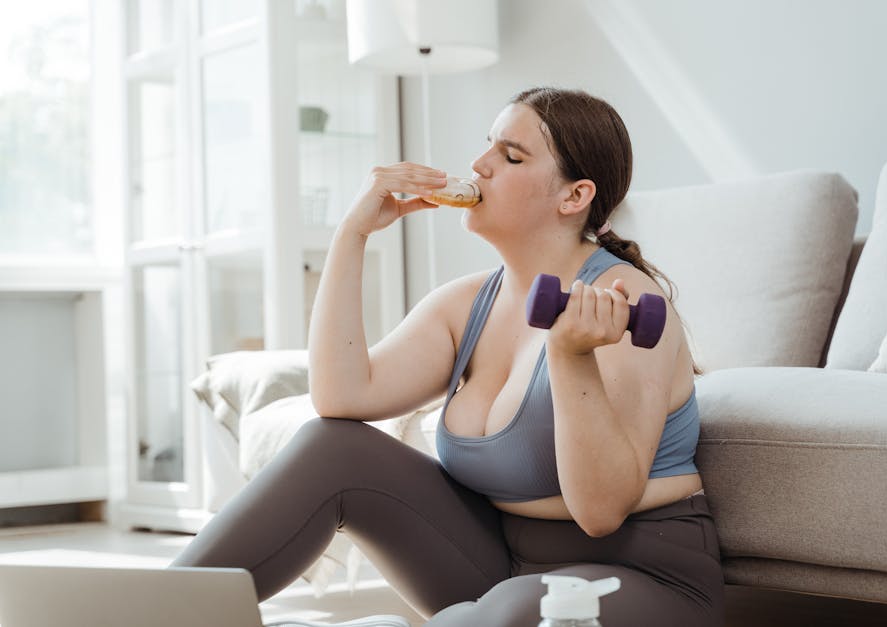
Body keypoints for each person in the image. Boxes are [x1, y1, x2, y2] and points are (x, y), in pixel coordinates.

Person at [171, 87, 724, 627]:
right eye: (487, 146)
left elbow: (602, 513)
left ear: (574, 197)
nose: (479, 165)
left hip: (634, 576)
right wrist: (353, 232)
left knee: (510, 611)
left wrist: (571, 356)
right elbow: (341, 397)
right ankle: (156, 609)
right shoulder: (467, 303)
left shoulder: (623, 304)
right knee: (334, 447)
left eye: (510, 156)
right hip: (498, 568)